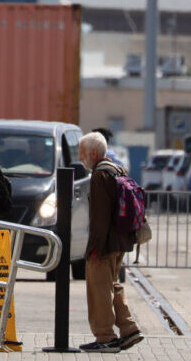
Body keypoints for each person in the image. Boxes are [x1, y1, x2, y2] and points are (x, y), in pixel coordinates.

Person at [78, 132, 143, 352]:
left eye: (82, 153)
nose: (80, 158)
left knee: (98, 290)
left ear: (93, 153)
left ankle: (105, 337)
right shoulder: (117, 169)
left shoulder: (99, 175)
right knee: (111, 286)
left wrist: (94, 247)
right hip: (120, 242)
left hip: (104, 244)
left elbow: (100, 217)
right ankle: (129, 329)